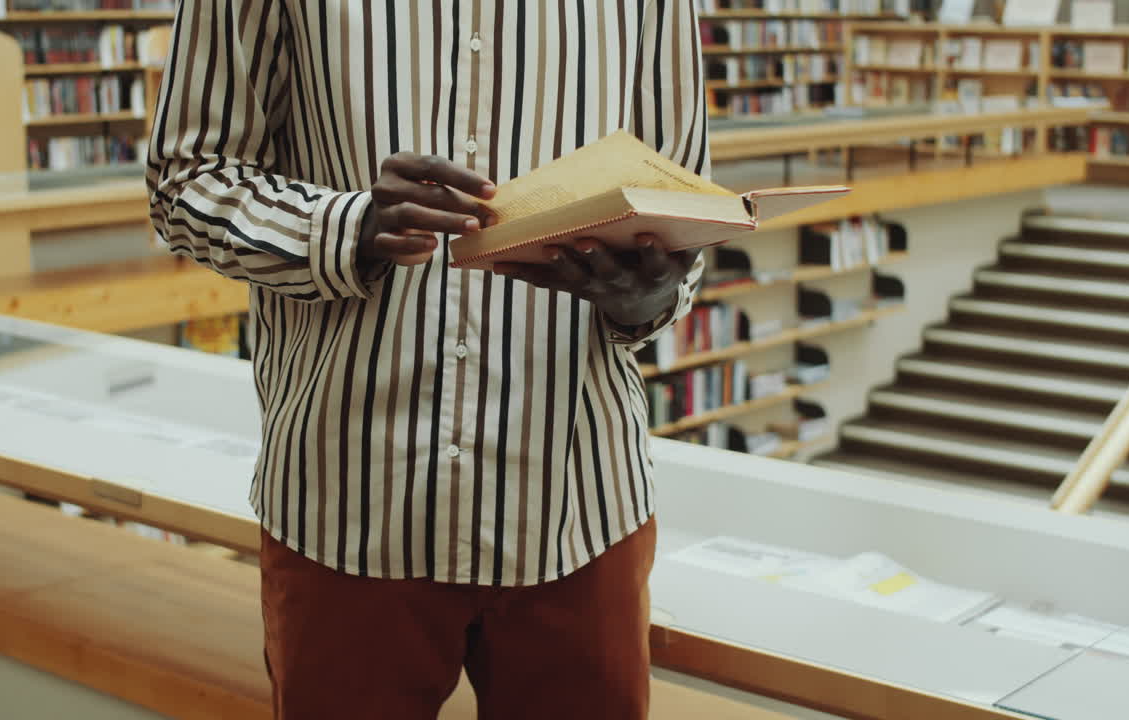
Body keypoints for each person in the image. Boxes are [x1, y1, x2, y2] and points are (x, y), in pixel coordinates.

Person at [147, 2, 708, 717]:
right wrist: (345, 229)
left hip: (576, 506)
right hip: (347, 502)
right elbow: (187, 177)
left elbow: (685, 197)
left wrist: (648, 294)